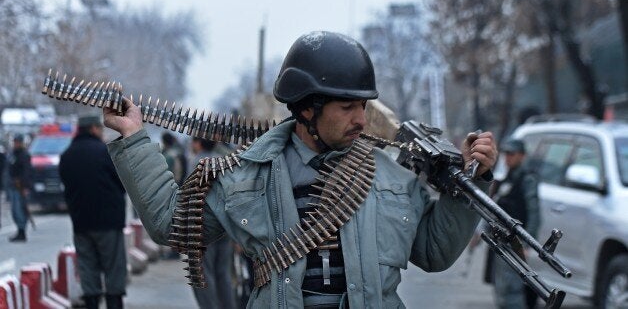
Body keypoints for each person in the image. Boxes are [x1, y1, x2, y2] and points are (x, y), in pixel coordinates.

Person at [103, 31, 497, 308]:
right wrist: (134, 138)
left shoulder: (390, 176)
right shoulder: (246, 176)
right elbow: (172, 224)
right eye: (347, 107)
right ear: (308, 108)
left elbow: (433, 252)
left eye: (364, 106)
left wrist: (467, 184)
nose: (362, 119)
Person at [59, 115, 127, 309]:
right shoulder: (105, 152)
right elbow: (122, 182)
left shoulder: (67, 155)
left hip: (81, 222)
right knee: (113, 268)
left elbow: (66, 185)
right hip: (108, 222)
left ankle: (92, 304)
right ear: (94, 129)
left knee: (88, 268)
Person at [490, 138, 540, 309]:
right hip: (502, 241)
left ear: (522, 156)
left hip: (515, 243)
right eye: (506, 154)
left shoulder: (527, 179)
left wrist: (526, 243)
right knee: (501, 288)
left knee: (512, 290)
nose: (507, 158)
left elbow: (534, 214)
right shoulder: (507, 178)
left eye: (512, 154)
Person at [188, 137, 236, 309]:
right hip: (224, 225)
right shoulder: (222, 162)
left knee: (202, 274)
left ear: (198, 143)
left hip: (201, 227)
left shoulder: (196, 162)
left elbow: (189, 196)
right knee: (223, 273)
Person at [7, 134, 32, 242]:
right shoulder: (13, 154)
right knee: (14, 210)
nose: (16, 144)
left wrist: (25, 187)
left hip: (20, 186)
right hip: (13, 185)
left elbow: (27, 172)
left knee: (19, 209)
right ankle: (19, 229)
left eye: (17, 142)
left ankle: (22, 231)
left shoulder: (24, 155)